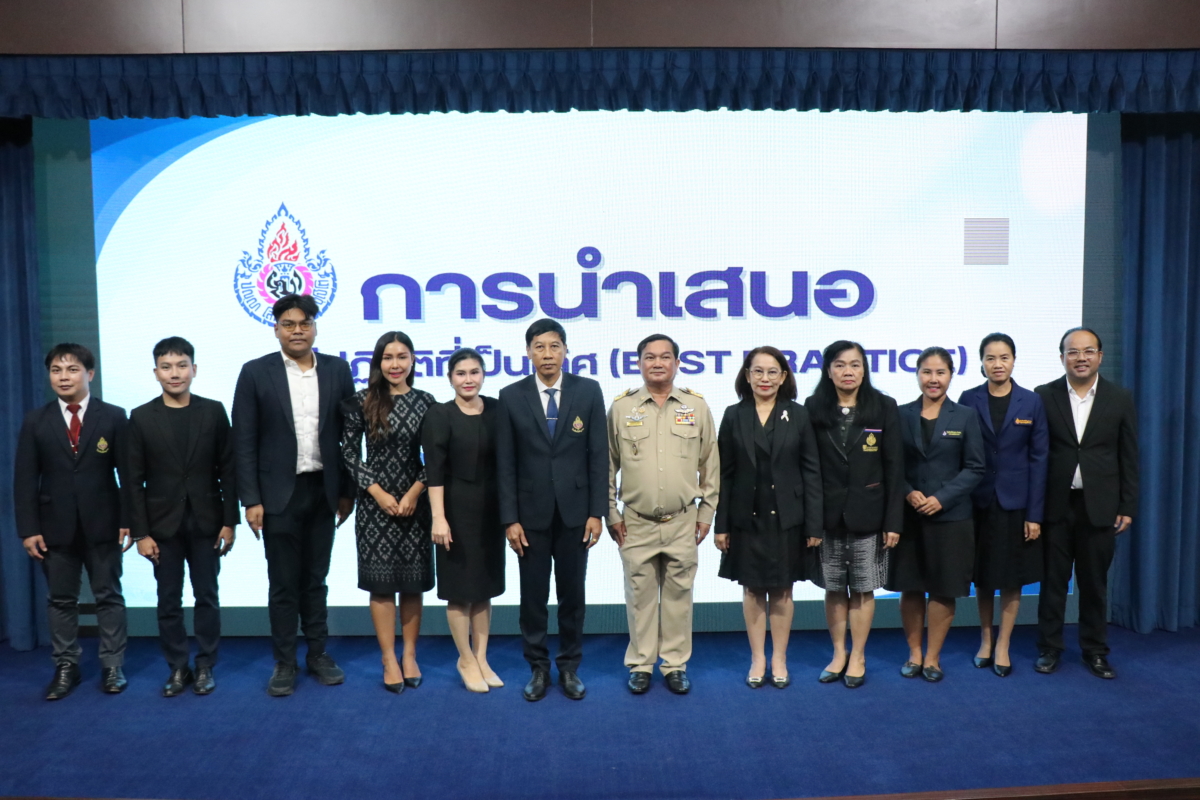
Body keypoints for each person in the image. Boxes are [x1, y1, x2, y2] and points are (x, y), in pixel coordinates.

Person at [232, 293, 356, 697]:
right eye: (288, 324)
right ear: (276, 329)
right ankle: (285, 661)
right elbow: (244, 441)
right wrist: (251, 499)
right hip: (277, 495)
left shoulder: (337, 370)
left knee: (316, 580)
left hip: (323, 490)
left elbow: (349, 436)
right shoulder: (255, 372)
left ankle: (318, 654)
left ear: (314, 328)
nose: (297, 330)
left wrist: (347, 491)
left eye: (304, 323)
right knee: (284, 583)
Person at [496, 319, 608, 702]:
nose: (547, 354)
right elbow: (505, 463)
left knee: (572, 596)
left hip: (577, 514)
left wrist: (597, 512)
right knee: (533, 597)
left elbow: (598, 456)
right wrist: (509, 519)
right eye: (540, 347)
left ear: (565, 350)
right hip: (530, 516)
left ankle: (570, 666)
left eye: (554, 346)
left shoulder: (588, 391)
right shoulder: (511, 395)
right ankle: (538, 668)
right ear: (528, 352)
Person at [13, 343, 131, 700]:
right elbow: (24, 479)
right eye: (56, 370)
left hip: (104, 523)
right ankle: (66, 665)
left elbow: (128, 475)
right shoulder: (36, 420)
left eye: (72, 369)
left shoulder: (113, 416)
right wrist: (29, 529)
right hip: (54, 527)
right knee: (61, 600)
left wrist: (129, 520)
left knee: (108, 596)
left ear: (89, 374)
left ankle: (112, 665)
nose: (63, 377)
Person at [126, 337, 238, 697]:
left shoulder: (214, 411)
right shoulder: (141, 416)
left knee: (207, 596)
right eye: (166, 367)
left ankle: (205, 666)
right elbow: (132, 480)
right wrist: (141, 533)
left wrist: (230, 521)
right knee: (168, 600)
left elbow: (228, 470)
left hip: (208, 522)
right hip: (162, 526)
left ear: (194, 369)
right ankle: (177, 667)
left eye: (181, 365)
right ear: (156, 372)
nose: (174, 373)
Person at [607, 333, 719, 695]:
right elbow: (607, 465)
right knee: (639, 597)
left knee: (678, 597)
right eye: (650, 357)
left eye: (665, 356)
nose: (658, 363)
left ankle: (674, 665)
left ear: (677, 363)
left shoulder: (696, 406)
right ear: (639, 363)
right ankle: (641, 664)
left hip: (682, 521)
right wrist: (611, 512)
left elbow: (710, 465)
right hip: (635, 522)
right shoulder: (621, 407)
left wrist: (706, 513)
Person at [714, 346, 822, 689]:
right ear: (747, 376)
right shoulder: (734, 414)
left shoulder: (798, 414)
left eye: (772, 371)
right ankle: (758, 657)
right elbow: (724, 474)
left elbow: (812, 472)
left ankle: (779, 658)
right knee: (752, 589)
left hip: (787, 518)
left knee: (783, 589)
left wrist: (814, 524)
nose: (765, 378)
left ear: (783, 376)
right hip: (746, 518)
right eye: (758, 371)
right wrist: (721, 525)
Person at [1034, 327, 1138, 679]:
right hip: (1056, 505)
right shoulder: (1044, 395)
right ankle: (1049, 648)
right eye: (1073, 352)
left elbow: (1128, 456)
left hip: (1100, 507)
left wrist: (1127, 505)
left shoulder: (1119, 398)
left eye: (1088, 351)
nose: (1081, 358)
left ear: (1100, 356)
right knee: (1053, 582)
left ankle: (1095, 651)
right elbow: (1037, 453)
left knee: (1094, 584)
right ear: (1062, 357)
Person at [804, 340, 903, 689]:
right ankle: (838, 653)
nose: (848, 371)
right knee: (833, 588)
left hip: (870, 515)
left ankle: (858, 655)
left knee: (862, 589)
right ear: (828, 370)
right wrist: (812, 521)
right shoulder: (813, 407)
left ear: (864, 369)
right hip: (828, 517)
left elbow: (895, 468)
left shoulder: (884, 406)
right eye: (840, 365)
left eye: (855, 364)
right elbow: (809, 468)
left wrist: (893, 521)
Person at [341, 331, 436, 693]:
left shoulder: (426, 402)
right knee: (381, 587)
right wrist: (377, 492)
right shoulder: (362, 401)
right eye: (388, 357)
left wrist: (415, 491)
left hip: (415, 505)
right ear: (378, 362)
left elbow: (436, 456)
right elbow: (349, 453)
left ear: (412, 360)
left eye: (402, 356)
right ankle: (388, 658)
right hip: (374, 507)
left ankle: (409, 655)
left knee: (412, 584)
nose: (395, 364)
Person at [888, 346, 985, 682]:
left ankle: (933, 658)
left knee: (943, 589)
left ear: (951, 375)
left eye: (940, 372)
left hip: (951, 518)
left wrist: (942, 498)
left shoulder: (966, 416)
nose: (933, 379)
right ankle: (914, 653)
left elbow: (975, 467)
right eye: (926, 372)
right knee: (910, 587)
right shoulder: (899, 414)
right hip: (909, 517)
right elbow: (891, 464)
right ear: (917, 374)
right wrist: (907, 491)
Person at [957, 333, 1048, 677]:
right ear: (981, 362)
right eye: (991, 358)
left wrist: (1035, 514)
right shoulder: (969, 398)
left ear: (1014, 360)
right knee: (983, 576)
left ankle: (1004, 644)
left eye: (1004, 357)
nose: (998, 364)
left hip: (1016, 504)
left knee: (1012, 578)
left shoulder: (1032, 401)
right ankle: (985, 639)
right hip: (978, 502)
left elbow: (1040, 459)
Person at [423, 348, 506, 693]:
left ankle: (482, 657)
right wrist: (438, 518)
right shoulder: (440, 414)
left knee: (484, 588)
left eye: (474, 372)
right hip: (454, 512)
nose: (468, 379)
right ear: (450, 378)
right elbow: (434, 471)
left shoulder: (498, 409)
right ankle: (465, 659)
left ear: (483, 375)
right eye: (461, 373)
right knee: (460, 591)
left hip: (492, 513)